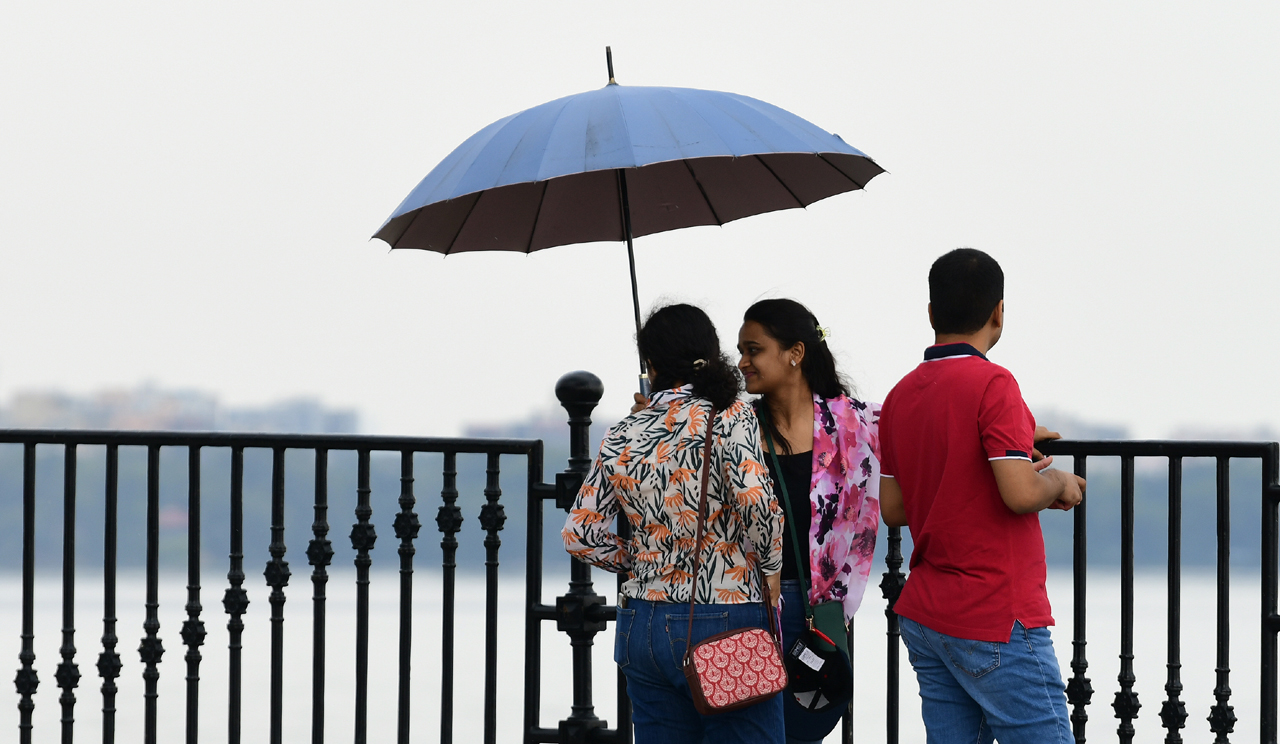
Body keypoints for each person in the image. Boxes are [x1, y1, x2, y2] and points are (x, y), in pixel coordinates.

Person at [878, 248, 1086, 744]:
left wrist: (1014, 438)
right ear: (999, 312)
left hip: (929, 614)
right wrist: (1059, 483)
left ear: (932, 313)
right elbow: (1019, 492)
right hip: (995, 614)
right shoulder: (995, 384)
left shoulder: (900, 395)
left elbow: (893, 508)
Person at [563, 303, 787, 744]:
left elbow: (579, 534)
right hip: (724, 619)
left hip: (641, 625)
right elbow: (756, 503)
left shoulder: (623, 432)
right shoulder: (730, 416)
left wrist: (642, 559)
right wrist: (772, 565)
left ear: (651, 366)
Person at [737, 298, 881, 744]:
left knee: (804, 730)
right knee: (748, 732)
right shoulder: (736, 427)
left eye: (754, 350)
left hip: (822, 610)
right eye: (741, 351)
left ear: (795, 353)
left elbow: (931, 430)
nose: (742, 363)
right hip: (747, 605)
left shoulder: (853, 423)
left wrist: (1011, 437)